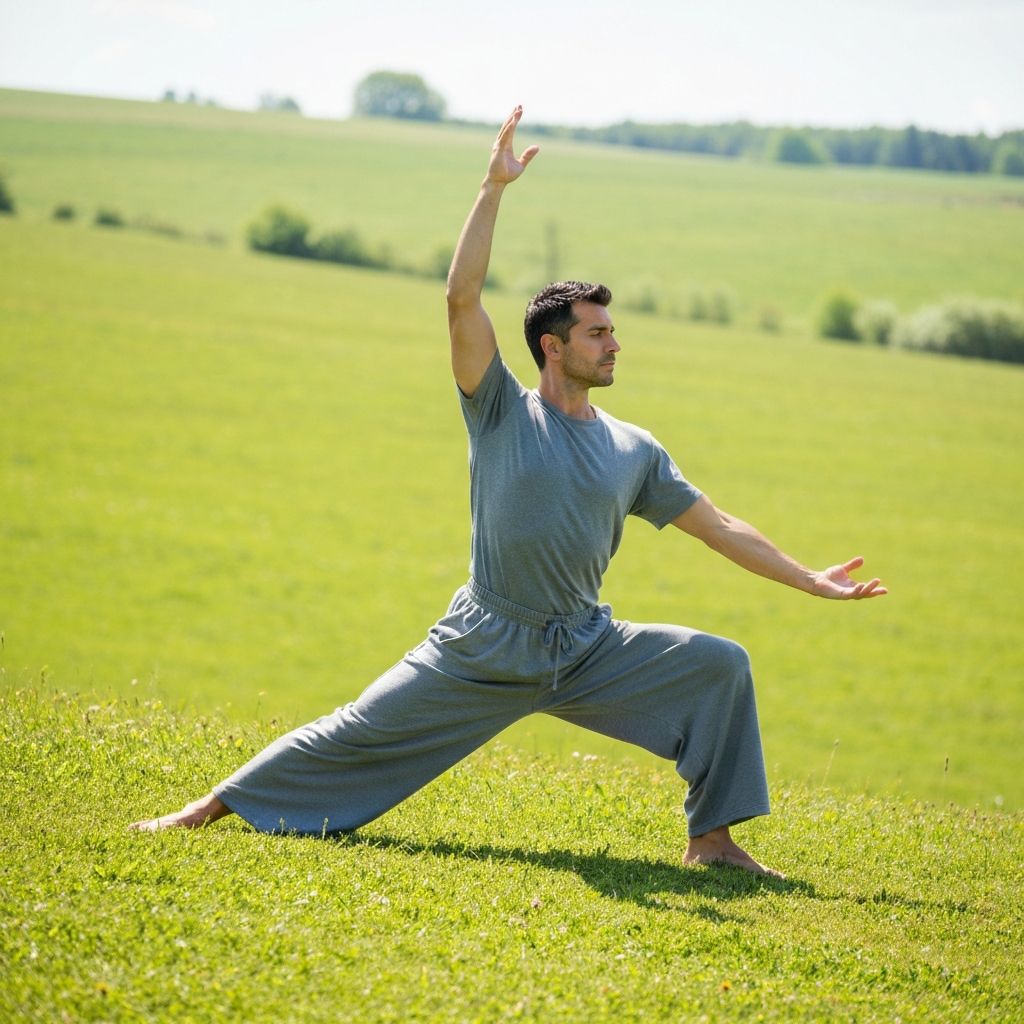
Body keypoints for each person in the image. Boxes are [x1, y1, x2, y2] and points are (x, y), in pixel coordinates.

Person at [130, 107, 886, 875]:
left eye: (613, 329)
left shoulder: (634, 449)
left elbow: (720, 525)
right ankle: (206, 808)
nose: (615, 342)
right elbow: (461, 299)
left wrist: (809, 579)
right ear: (552, 347)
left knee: (720, 665)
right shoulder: (498, 409)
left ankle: (712, 843)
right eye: (597, 333)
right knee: (354, 730)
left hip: (587, 648)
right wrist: (492, 188)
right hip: (485, 642)